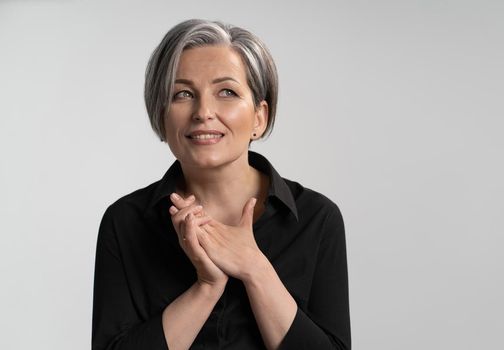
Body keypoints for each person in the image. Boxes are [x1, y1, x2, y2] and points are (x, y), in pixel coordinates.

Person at [92, 19, 350, 350]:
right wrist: (207, 286)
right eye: (182, 94)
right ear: (161, 116)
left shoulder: (317, 218)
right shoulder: (126, 222)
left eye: (226, 92)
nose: (204, 112)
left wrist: (255, 267)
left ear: (260, 117)